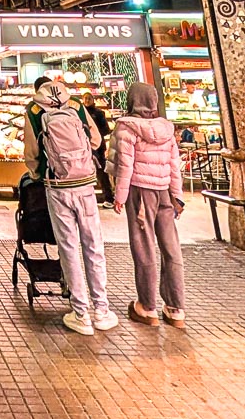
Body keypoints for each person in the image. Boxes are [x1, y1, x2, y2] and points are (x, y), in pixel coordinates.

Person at [23, 79, 118, 336]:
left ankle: (81, 313)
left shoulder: (34, 111)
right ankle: (102, 310)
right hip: (85, 183)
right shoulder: (75, 104)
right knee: (93, 244)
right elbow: (96, 140)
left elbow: (31, 153)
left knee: (68, 247)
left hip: (57, 186)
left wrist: (38, 174)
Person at [111, 82, 187, 329]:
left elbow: (125, 166)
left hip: (140, 193)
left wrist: (120, 197)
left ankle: (147, 306)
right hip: (164, 191)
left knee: (144, 248)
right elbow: (174, 165)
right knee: (171, 247)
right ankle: (176, 308)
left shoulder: (127, 128)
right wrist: (177, 196)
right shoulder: (166, 128)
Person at [82, 92, 115, 208]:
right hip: (85, 147)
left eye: (89, 98)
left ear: (93, 100)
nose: (87, 100)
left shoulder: (99, 113)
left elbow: (106, 129)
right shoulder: (80, 114)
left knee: (102, 173)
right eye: (85, 98)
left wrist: (95, 136)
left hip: (99, 147)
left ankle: (109, 198)